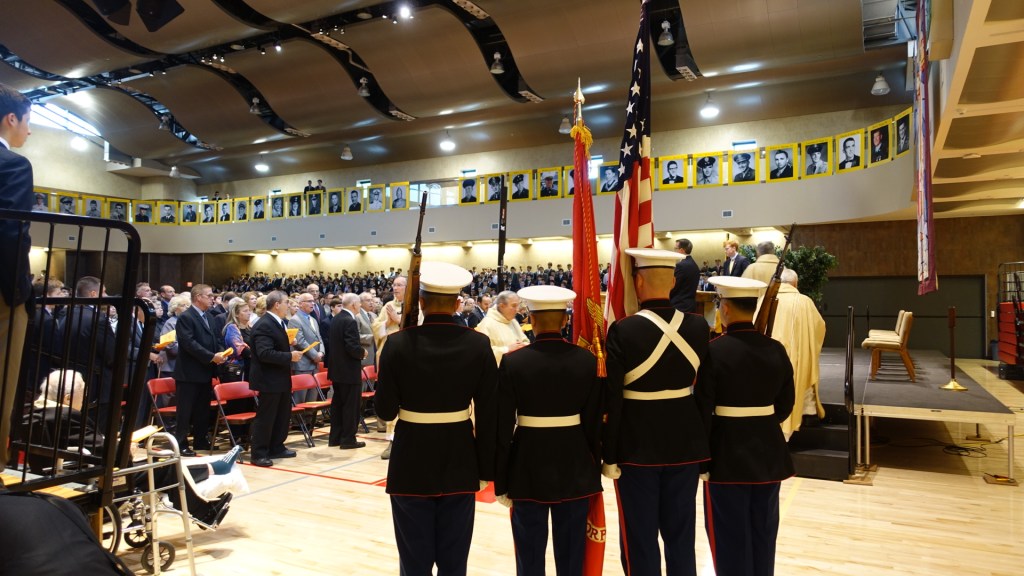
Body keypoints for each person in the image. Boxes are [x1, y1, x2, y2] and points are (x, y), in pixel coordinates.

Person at [374, 261, 497, 576]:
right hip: (459, 460)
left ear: (421, 302)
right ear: (458, 304)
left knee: (414, 563)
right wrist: (484, 468)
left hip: (410, 460)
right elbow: (489, 411)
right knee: (454, 563)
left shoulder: (398, 344)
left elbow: (385, 411)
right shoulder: (478, 343)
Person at [603, 248, 712, 576]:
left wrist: (609, 455)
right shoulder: (697, 328)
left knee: (639, 537)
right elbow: (705, 397)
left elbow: (613, 399)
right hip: (686, 446)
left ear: (638, 282)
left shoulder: (623, 330)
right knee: (681, 536)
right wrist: (703, 450)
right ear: (674, 282)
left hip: (637, 448)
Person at [494, 285, 602, 576]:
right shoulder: (587, 360)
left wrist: (501, 480)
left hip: (527, 464)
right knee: (571, 555)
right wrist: (595, 464)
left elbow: (503, 426)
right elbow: (592, 423)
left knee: (529, 555)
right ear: (566, 321)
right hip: (575, 464)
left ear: (531, 319)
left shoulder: (514, 362)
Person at [701, 276, 795, 576]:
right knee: (764, 533)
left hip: (726, 454)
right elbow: (785, 404)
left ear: (725, 308)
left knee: (729, 537)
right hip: (768, 452)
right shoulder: (776, 349)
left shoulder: (713, 351)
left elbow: (703, 408)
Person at [0, 83, 34, 478]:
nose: (29, 131)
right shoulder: (11, 165)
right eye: (28, 122)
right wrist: (18, 296)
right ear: (12, 119)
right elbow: (11, 234)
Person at [249, 290, 304, 467]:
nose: (289, 305)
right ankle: (259, 453)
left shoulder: (279, 322)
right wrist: (290, 356)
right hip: (268, 378)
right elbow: (264, 353)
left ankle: (276, 446)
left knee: (282, 414)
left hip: (279, 376)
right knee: (267, 416)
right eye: (287, 302)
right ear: (277, 304)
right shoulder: (264, 324)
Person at [173, 284, 227, 456]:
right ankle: (181, 443)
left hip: (205, 370)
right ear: (198, 297)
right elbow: (189, 344)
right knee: (185, 410)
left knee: (202, 409)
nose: (212, 298)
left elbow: (216, 338)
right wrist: (211, 356)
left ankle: (200, 439)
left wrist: (220, 352)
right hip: (189, 372)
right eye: (209, 295)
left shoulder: (209, 316)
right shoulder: (186, 317)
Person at [772, 269, 826, 438]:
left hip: (772, 355)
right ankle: (808, 413)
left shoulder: (768, 300)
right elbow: (820, 326)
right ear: (795, 284)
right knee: (803, 379)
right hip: (798, 353)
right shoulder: (805, 301)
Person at [64, 276, 117, 432]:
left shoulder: (66, 314)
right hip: (97, 381)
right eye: (104, 292)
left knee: (76, 425)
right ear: (94, 294)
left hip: (72, 377)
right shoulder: (97, 318)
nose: (107, 296)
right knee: (97, 430)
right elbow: (111, 354)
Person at [371, 276, 407, 459]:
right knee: (391, 397)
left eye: (399, 285)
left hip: (408, 359)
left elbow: (419, 326)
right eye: (394, 285)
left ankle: (406, 441)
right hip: (390, 358)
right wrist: (388, 322)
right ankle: (391, 442)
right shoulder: (387, 307)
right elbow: (376, 327)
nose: (395, 288)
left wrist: (399, 319)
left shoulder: (415, 305)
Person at [327, 293, 367, 449]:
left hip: (337, 371)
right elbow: (351, 346)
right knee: (351, 406)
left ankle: (335, 438)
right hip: (349, 371)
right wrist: (362, 352)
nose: (360, 306)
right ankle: (348, 439)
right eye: (359, 303)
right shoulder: (349, 320)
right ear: (354, 305)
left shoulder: (336, 318)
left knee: (338, 405)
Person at [475, 290, 530, 366]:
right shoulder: (486, 324)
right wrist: (507, 349)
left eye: (518, 306)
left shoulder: (513, 321)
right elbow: (483, 353)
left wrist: (523, 345)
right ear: (502, 306)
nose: (517, 310)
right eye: (514, 306)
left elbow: (525, 340)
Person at [289, 292, 324, 403]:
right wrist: (314, 355)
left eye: (313, 301)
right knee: (301, 397)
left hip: (315, 362)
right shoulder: (295, 320)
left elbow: (320, 339)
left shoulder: (313, 320)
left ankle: (309, 420)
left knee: (312, 396)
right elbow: (300, 341)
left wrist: (321, 353)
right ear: (300, 304)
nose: (312, 303)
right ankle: (298, 420)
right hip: (303, 363)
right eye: (309, 301)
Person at [669, 238, 701, 314]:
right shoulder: (695, 265)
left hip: (679, 306)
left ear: (682, 250)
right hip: (691, 305)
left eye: (675, 248)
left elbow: (674, 287)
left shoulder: (680, 265)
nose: (674, 251)